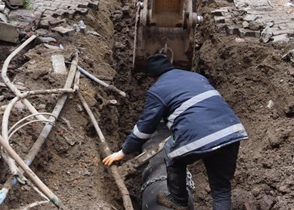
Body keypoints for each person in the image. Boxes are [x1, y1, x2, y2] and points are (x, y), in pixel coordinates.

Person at [102, 53, 248, 210]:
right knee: (221, 189)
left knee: (171, 150)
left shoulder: (157, 89)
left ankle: (178, 200)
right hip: (230, 131)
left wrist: (123, 151)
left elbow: (145, 127)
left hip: (198, 133)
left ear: (153, 76)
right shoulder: (196, 77)